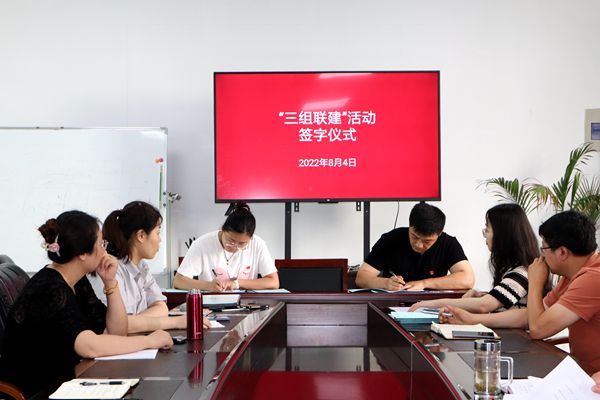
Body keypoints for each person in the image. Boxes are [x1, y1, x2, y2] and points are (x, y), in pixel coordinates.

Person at [0, 210, 172, 397]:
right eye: (101, 244)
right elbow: (90, 346)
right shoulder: (50, 288)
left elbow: (116, 331)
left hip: (69, 379)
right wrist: (149, 341)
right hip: (39, 390)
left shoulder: (76, 280)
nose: (105, 251)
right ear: (82, 253)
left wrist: (110, 282)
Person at [440, 210, 600, 371]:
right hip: (582, 370)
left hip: (591, 377)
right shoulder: (573, 275)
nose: (542, 256)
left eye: (544, 249)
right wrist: (473, 319)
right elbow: (528, 316)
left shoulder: (592, 278)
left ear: (562, 252)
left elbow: (538, 329)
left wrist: (535, 281)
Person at [103, 201, 210, 333]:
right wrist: (175, 322)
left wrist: (135, 323)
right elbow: (120, 326)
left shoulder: (142, 267)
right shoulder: (112, 270)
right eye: (158, 233)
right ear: (141, 236)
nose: (160, 240)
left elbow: (161, 307)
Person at [409, 203, 538, 313]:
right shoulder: (516, 271)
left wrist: (428, 304)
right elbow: (495, 304)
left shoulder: (521, 273)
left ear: (503, 234)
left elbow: (484, 306)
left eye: (487, 229)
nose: (484, 235)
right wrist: (480, 297)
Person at [355, 202, 474, 290]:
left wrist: (423, 284)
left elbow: (467, 279)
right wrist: (385, 283)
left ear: (439, 234)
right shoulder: (390, 239)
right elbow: (361, 278)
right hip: (393, 303)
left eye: (427, 241)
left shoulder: (448, 243)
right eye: (414, 236)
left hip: (434, 305)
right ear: (410, 225)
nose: (419, 245)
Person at [173, 202, 279, 291]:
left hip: (247, 304)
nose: (235, 247)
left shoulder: (258, 244)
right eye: (230, 241)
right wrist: (208, 286)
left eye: (242, 244)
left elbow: (274, 282)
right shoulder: (202, 244)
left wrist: (237, 283)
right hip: (211, 303)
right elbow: (178, 281)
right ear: (223, 230)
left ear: (251, 238)